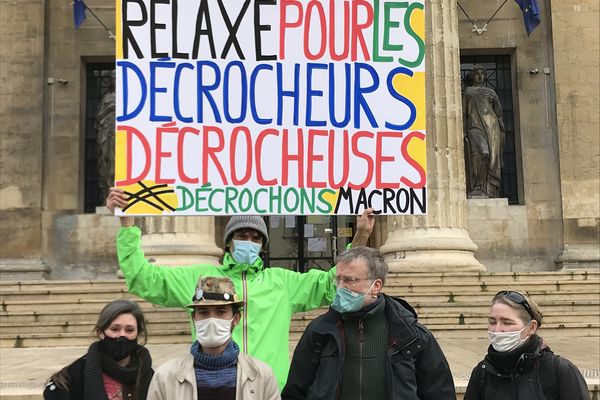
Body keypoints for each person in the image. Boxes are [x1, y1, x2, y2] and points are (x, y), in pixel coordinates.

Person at [106, 187, 375, 389]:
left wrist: (360, 235)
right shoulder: (198, 277)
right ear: (229, 242)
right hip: (211, 387)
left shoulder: (281, 282)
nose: (249, 240)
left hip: (268, 390)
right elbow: (143, 277)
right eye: (242, 235)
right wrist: (127, 226)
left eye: (255, 237)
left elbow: (332, 284)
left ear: (263, 245)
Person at [282, 247, 456, 400]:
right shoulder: (319, 331)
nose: (340, 287)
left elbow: (439, 392)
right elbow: (296, 391)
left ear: (376, 286)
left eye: (349, 280)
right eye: (338, 279)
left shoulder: (412, 335)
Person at [147, 276, 280, 400]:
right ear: (194, 319)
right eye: (203, 312)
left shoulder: (262, 376)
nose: (211, 320)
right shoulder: (165, 377)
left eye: (221, 312)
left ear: (236, 319)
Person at [464, 290, 590, 400]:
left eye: (507, 323)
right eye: (492, 322)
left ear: (531, 327)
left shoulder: (559, 371)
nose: (497, 330)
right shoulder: (482, 373)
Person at [43, 299, 154, 400]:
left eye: (129, 330)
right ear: (101, 332)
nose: (122, 335)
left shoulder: (153, 378)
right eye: (115, 329)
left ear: (137, 334)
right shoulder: (67, 381)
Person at [463, 64, 505, 198]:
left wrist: (496, 100)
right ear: (472, 76)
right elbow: (463, 113)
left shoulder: (491, 93)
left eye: (482, 73)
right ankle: (477, 186)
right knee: (484, 153)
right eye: (477, 73)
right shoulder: (468, 92)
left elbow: (498, 113)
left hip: (492, 128)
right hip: (475, 127)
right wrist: (463, 131)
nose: (480, 76)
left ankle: (488, 190)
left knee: (492, 157)